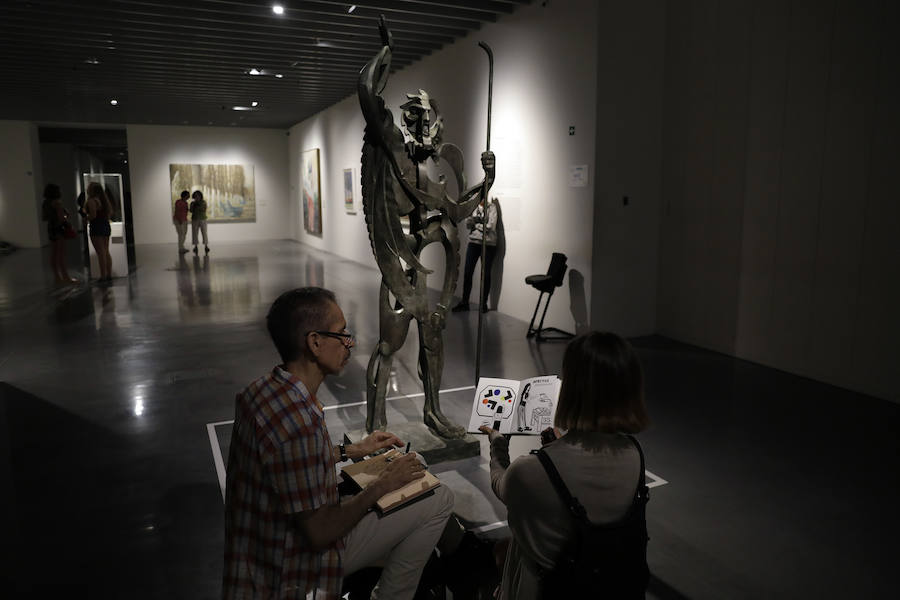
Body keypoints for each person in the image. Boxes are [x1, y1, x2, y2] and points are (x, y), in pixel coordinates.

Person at [223, 287, 455, 600]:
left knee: (416, 467)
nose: (351, 342)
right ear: (315, 342)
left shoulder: (261, 392)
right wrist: (380, 487)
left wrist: (350, 451)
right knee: (439, 497)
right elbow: (320, 533)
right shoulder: (300, 421)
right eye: (342, 333)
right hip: (293, 562)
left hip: (261, 546)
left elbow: (287, 465)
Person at [480, 331, 650, 599]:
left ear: (571, 390)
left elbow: (502, 484)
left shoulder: (531, 469)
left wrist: (497, 443)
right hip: (610, 582)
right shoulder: (634, 454)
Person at [453, 196, 499, 313]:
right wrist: (479, 223)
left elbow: (490, 226)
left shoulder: (492, 207)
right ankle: (465, 302)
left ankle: (483, 304)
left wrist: (476, 223)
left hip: (488, 244)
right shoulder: (473, 207)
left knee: (486, 274)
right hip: (474, 242)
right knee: (468, 272)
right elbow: (468, 224)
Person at [41, 183, 77, 284]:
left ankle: (57, 277)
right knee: (61, 255)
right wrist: (67, 219)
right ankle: (66, 277)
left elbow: (44, 217)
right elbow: (61, 218)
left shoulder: (45, 203)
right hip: (59, 229)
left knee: (53, 254)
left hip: (51, 228)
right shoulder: (57, 203)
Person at [84, 181, 113, 284]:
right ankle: (109, 274)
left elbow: (93, 215)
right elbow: (109, 213)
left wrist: (86, 218)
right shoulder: (104, 200)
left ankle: (103, 276)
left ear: (91, 190)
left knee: (100, 253)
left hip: (96, 227)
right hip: (105, 225)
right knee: (106, 251)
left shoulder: (92, 201)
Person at [189, 189, 209, 254]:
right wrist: (194, 205)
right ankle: (195, 246)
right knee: (195, 233)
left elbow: (203, 209)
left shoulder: (203, 202)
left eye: (198, 196)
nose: (197, 197)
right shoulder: (192, 203)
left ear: (200, 196)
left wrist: (197, 205)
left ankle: (206, 246)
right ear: (194, 197)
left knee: (204, 232)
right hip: (194, 219)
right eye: (195, 196)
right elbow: (191, 210)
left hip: (202, 219)